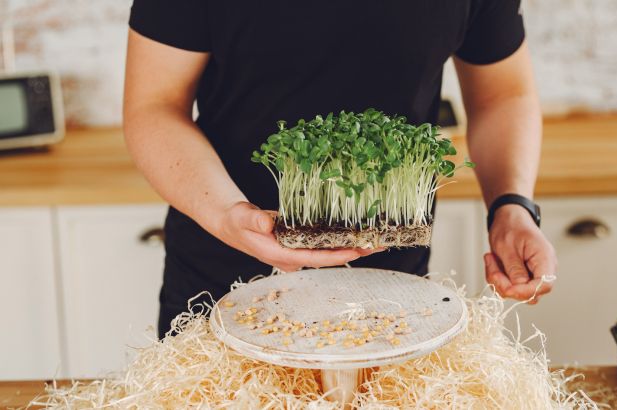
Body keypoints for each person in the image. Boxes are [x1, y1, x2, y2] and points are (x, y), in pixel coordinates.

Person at [124, 0, 558, 338]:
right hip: (221, 283)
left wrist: (512, 206)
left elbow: (503, 94)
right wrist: (225, 212)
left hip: (391, 291)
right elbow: (154, 106)